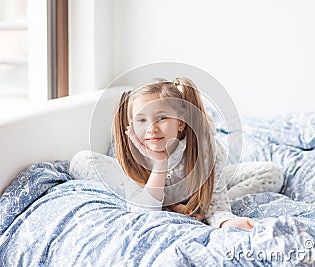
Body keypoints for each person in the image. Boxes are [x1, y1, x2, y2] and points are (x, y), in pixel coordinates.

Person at [112, 77, 284, 230]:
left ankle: (199, 205)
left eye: (162, 118)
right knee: (86, 161)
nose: (152, 128)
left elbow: (219, 207)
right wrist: (160, 164)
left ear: (180, 122)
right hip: (158, 192)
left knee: (272, 173)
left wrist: (225, 221)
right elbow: (142, 212)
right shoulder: (134, 155)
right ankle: (181, 205)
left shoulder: (205, 148)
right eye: (141, 120)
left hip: (204, 189)